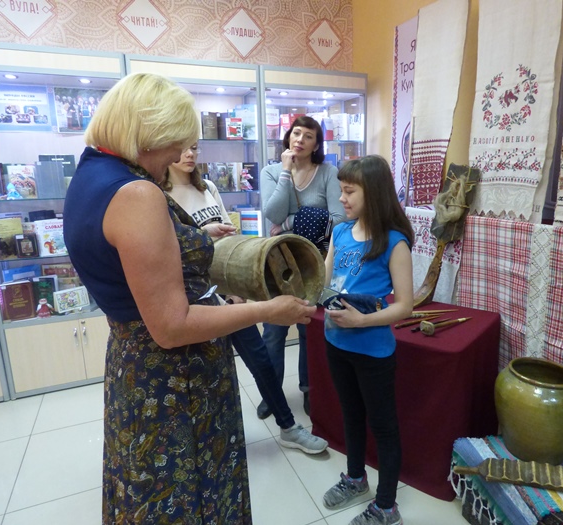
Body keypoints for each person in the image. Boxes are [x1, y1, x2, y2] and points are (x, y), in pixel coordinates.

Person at [63, 72, 316, 524]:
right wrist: (268, 310)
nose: (179, 154)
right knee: (188, 492)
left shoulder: (90, 176)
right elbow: (172, 326)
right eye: (175, 143)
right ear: (150, 134)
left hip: (132, 365)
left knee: (147, 489)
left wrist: (201, 251)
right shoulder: (137, 194)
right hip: (174, 383)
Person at [161, 143, 328, 455]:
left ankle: (289, 427)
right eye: (182, 148)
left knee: (260, 359)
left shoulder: (208, 187)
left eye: (194, 147)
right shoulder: (161, 196)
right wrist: (204, 233)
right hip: (193, 298)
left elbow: (230, 239)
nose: (190, 154)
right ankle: (211, 442)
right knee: (208, 371)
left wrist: (235, 289)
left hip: (226, 289)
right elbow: (169, 251)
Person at [320, 155, 414, 525]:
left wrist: (362, 320)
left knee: (384, 426)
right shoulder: (341, 232)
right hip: (336, 343)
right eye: (341, 190)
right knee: (351, 415)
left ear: (372, 193)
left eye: (349, 191)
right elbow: (324, 280)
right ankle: (356, 478)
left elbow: (404, 306)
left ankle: (387, 507)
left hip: (373, 352)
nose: (341, 198)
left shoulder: (394, 243)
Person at [260, 115, 345, 417]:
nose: (300, 140)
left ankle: (310, 390)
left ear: (316, 144)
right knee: (273, 331)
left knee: (309, 330)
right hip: (277, 262)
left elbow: (339, 219)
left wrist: (290, 223)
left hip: (314, 264)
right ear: (288, 137)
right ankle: (271, 394)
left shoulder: (328, 173)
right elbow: (272, 212)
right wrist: (286, 171)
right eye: (296, 133)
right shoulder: (271, 171)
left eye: (308, 136)